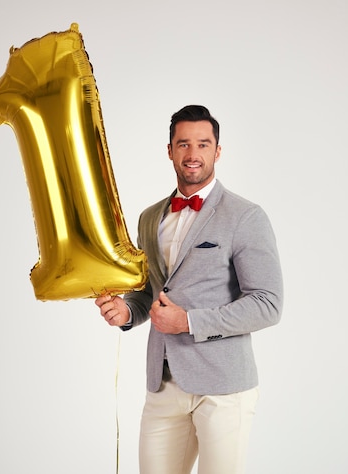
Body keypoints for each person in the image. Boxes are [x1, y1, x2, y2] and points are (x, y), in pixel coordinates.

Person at [95, 105, 283, 474]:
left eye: (203, 144)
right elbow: (150, 291)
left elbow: (267, 304)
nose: (193, 154)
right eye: (183, 144)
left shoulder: (246, 216)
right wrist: (128, 311)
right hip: (163, 384)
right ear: (170, 150)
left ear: (217, 150)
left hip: (223, 387)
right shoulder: (150, 217)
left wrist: (189, 321)